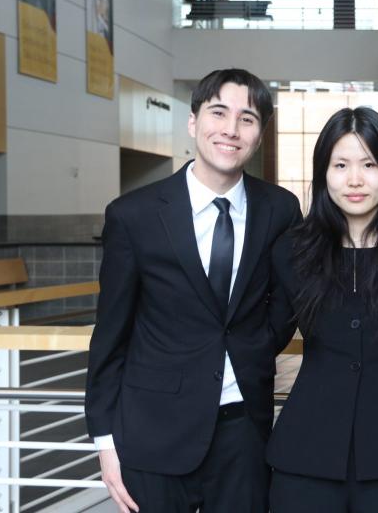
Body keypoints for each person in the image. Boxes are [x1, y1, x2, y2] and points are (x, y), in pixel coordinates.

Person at [85, 68, 302, 513]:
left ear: (259, 135)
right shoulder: (135, 215)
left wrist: (257, 345)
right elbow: (110, 334)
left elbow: (288, 297)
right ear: (193, 122)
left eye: (247, 118)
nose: (230, 129)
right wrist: (106, 443)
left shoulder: (279, 209)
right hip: (153, 432)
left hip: (244, 429)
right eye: (218, 112)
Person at [266, 107, 378, 513]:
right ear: (323, 174)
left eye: (369, 164)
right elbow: (262, 336)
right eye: (340, 164)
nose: (355, 180)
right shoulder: (293, 253)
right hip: (305, 458)